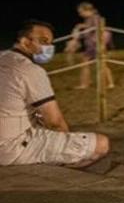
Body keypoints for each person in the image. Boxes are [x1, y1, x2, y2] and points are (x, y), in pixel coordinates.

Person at [0, 20, 110, 167]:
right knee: (101, 143)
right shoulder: (30, 71)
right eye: (43, 41)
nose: (48, 48)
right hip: (10, 149)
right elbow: (55, 122)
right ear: (25, 42)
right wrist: (65, 147)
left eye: (50, 43)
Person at [65, 2, 114, 90]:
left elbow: (97, 29)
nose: (80, 14)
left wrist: (81, 28)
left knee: (99, 64)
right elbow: (88, 31)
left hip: (96, 45)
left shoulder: (95, 18)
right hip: (92, 46)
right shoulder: (89, 19)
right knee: (89, 64)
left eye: (81, 12)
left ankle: (107, 83)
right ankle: (88, 83)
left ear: (87, 10)